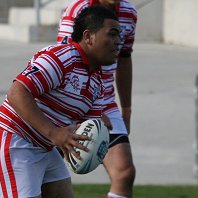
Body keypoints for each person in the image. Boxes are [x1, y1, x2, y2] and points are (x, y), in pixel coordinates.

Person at [0, 5, 121, 198]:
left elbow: (84, 128)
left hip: (44, 147)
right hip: (14, 140)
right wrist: (54, 133)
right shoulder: (62, 57)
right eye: (112, 34)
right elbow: (17, 92)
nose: (118, 42)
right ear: (89, 36)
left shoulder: (97, 81)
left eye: (119, 36)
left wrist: (94, 136)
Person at [57, 0, 137, 197]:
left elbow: (124, 58)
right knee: (48, 180)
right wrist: (87, 112)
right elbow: (65, 58)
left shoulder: (129, 13)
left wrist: (126, 109)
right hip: (70, 102)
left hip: (105, 103)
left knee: (124, 172)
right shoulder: (78, 9)